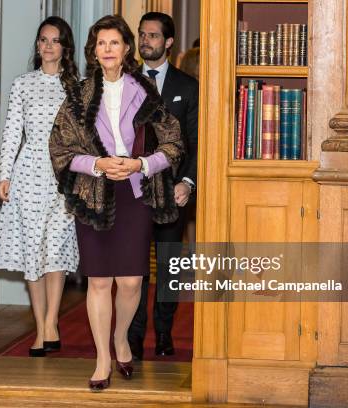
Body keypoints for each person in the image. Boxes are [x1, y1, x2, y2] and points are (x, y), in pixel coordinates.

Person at [49, 15, 183, 391]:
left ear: (127, 49)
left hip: (135, 194)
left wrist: (141, 163)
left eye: (114, 43)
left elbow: (174, 144)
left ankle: (121, 337)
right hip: (94, 194)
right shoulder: (78, 95)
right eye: (101, 43)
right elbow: (58, 149)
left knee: (129, 281)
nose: (107, 49)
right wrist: (96, 164)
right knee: (98, 281)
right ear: (94, 51)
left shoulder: (146, 92)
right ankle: (103, 358)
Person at [0, 16, 79, 358]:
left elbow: (83, 139)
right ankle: (40, 327)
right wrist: (4, 175)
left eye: (55, 40)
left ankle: (52, 322)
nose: (48, 45)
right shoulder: (23, 84)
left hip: (63, 177)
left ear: (65, 47)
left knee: (55, 250)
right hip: (27, 175)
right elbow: (11, 133)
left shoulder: (77, 87)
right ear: (38, 45)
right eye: (43, 40)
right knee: (33, 253)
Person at [128, 12, 199, 361]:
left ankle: (165, 333)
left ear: (168, 42)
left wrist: (188, 182)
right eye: (142, 35)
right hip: (133, 193)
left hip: (173, 191)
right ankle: (135, 336)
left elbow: (196, 141)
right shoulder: (124, 83)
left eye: (153, 36)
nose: (146, 41)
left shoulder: (187, 87)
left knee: (169, 266)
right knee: (135, 268)